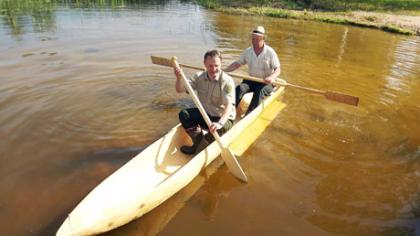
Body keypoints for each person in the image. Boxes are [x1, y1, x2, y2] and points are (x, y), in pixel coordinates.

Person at [174, 50, 236, 155]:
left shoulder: (227, 81)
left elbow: (229, 106)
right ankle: (198, 142)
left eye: (216, 66)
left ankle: (203, 144)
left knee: (217, 131)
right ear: (204, 64)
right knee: (184, 115)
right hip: (206, 114)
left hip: (222, 118)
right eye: (210, 66)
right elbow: (179, 90)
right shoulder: (199, 77)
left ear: (221, 64)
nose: (213, 69)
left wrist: (219, 124)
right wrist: (179, 78)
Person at [225, 26, 281, 115]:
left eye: (257, 39)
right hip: (251, 80)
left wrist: (271, 77)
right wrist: (224, 71)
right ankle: (229, 112)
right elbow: (237, 64)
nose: (254, 41)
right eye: (253, 39)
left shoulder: (270, 52)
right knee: (240, 88)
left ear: (263, 39)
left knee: (259, 92)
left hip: (265, 82)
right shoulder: (248, 51)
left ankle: (249, 114)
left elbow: (278, 70)